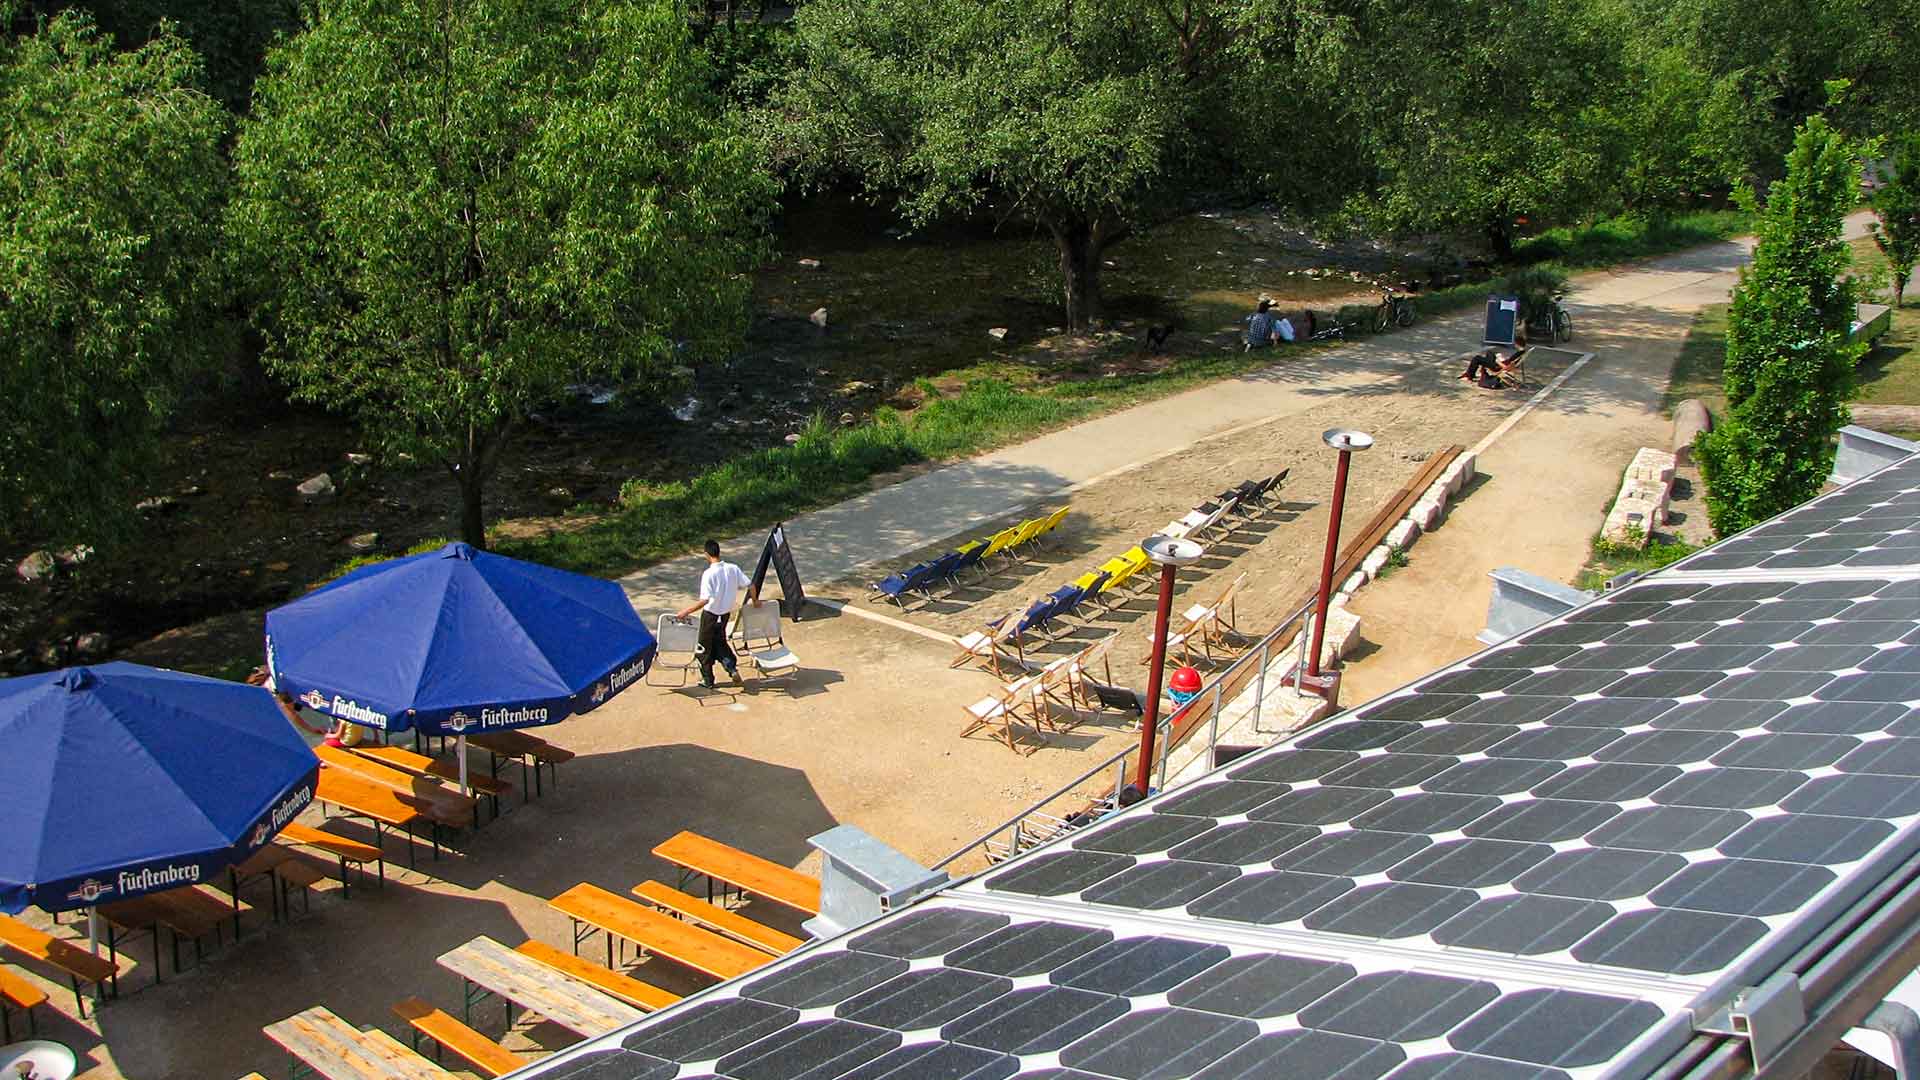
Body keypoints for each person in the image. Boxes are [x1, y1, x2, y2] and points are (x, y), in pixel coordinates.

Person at [676, 539, 754, 689]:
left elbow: (705, 600)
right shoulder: (733, 568)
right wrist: (755, 601)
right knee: (719, 642)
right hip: (724, 614)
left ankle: (708, 679)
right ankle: (731, 667)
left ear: (706, 554)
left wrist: (686, 611)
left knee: (703, 648)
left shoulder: (709, 574)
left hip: (710, 615)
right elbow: (751, 585)